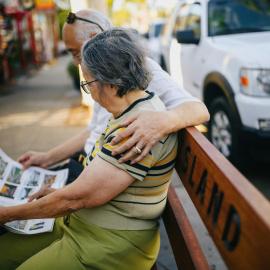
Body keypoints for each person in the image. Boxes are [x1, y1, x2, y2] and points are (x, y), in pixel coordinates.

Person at [0, 27, 178, 270]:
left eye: (89, 83)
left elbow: (78, 198)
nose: (90, 92)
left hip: (110, 241)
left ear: (112, 84)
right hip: (85, 225)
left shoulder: (137, 129)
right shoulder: (134, 110)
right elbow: (93, 187)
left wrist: (7, 214)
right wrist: (56, 195)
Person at [17, 9, 209, 183]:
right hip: (85, 164)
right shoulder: (100, 74)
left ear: (94, 38)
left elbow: (199, 110)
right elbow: (92, 132)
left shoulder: (138, 68)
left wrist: (163, 121)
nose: (76, 62)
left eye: (76, 52)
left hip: (97, 173)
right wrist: (46, 158)